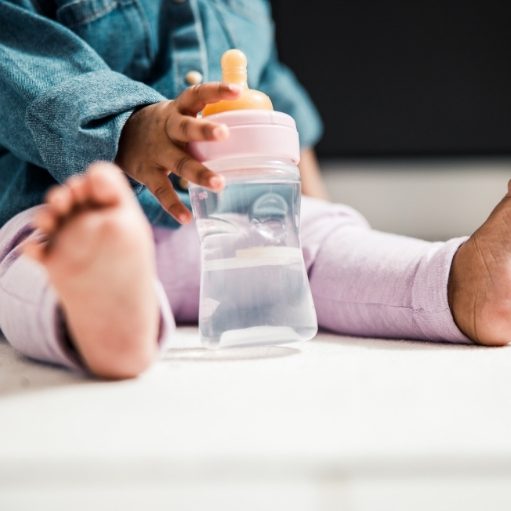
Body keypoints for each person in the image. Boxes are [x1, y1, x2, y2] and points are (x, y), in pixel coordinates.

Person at [0, 0, 508, 379]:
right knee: (36, 261)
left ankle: (460, 285)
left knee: (328, 245)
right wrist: (127, 125)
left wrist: (325, 220)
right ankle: (106, 315)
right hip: (83, 212)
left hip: (244, 220)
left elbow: (276, 99)